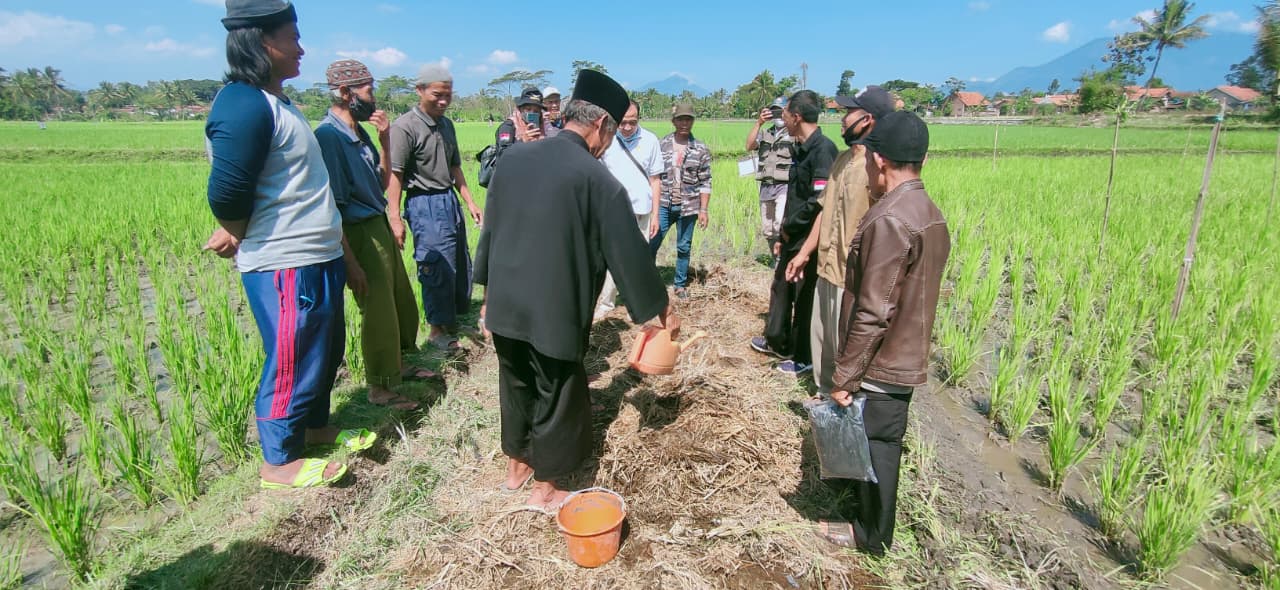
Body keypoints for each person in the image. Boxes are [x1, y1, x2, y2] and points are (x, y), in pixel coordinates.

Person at [474, 70, 680, 511]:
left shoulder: (513, 159)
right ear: (602, 126)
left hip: (506, 301)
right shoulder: (598, 180)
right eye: (611, 131)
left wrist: (487, 296)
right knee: (558, 388)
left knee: (514, 380)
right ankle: (547, 486)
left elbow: (490, 231)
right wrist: (658, 308)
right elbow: (628, 253)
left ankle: (516, 467)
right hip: (554, 307)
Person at [203, 0, 374, 490]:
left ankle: (315, 427)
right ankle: (278, 461)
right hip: (283, 259)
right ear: (262, 42)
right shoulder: (242, 103)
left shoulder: (278, 102)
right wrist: (235, 227)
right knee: (290, 353)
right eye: (293, 37)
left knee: (323, 350)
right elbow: (227, 188)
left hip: (316, 253)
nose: (301, 48)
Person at [818, 111, 950, 555]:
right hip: (905, 353)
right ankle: (868, 524)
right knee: (882, 442)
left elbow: (874, 310)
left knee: (878, 447)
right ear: (922, 158)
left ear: (877, 161)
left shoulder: (888, 219)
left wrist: (845, 375)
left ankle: (870, 536)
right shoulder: (929, 213)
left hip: (884, 360)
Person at [314, 58, 436, 412]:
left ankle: (398, 364)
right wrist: (350, 262)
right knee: (378, 308)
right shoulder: (329, 137)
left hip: (377, 223)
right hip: (357, 232)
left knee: (399, 297)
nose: (373, 96)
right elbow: (332, 208)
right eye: (368, 89)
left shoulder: (358, 130)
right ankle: (380, 387)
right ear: (345, 92)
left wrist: (384, 139)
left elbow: (382, 182)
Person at [784, 86, 895, 397]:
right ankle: (823, 396)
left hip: (853, 277)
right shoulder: (843, 159)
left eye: (848, 113)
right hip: (827, 268)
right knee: (824, 342)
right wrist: (805, 252)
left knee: (848, 348)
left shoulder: (881, 167)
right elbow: (825, 209)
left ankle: (845, 403)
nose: (842, 120)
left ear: (868, 119)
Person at [386, 62, 483, 351]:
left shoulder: (447, 124)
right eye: (437, 95)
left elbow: (455, 167)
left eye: (448, 95)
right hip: (423, 203)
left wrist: (469, 201)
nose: (443, 101)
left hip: (448, 200)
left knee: (458, 262)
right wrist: (394, 216)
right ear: (420, 91)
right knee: (435, 266)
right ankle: (436, 330)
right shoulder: (405, 127)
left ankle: (451, 320)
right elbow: (396, 174)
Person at [750, 90, 838, 376]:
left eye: (785, 113)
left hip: (808, 237)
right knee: (781, 286)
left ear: (796, 117)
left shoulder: (823, 150)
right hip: (792, 233)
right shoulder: (801, 148)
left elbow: (819, 202)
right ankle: (777, 341)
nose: (782, 118)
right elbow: (797, 196)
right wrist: (785, 233)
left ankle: (803, 357)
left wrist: (791, 228)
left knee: (803, 296)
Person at [594, 100, 663, 320]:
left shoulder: (650, 140)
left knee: (639, 260)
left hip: (642, 211)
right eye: (622, 123)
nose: (627, 127)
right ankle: (605, 304)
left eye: (632, 123)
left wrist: (656, 215)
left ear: (638, 119)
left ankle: (640, 304)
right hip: (613, 212)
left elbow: (655, 180)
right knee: (609, 261)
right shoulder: (607, 139)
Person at [650, 103, 712, 299]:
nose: (685, 123)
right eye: (681, 119)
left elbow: (705, 181)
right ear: (673, 121)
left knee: (684, 246)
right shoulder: (661, 145)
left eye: (689, 119)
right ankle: (646, 282)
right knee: (652, 242)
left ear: (693, 121)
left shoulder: (700, 148)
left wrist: (704, 210)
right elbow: (654, 176)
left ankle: (679, 284)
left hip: (689, 206)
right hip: (664, 204)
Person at [746, 96, 792, 260]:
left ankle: (785, 258)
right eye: (774, 111)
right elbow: (749, 146)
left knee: (780, 223)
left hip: (784, 185)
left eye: (781, 111)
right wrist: (758, 123)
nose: (778, 115)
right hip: (766, 185)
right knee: (768, 228)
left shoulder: (793, 134)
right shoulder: (766, 133)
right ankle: (776, 259)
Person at [495, 87, 547, 151]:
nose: (532, 113)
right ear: (520, 109)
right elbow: (503, 152)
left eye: (536, 111)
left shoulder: (544, 125)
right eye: (528, 109)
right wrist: (522, 140)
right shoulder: (508, 126)